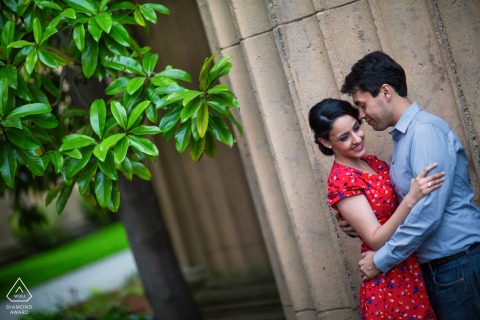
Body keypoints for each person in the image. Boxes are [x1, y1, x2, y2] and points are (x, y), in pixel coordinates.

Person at [340, 50, 480, 319]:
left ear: (385, 91)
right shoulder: (404, 138)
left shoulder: (424, 132)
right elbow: (407, 204)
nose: (360, 115)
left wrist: (381, 261)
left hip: (459, 265)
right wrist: (357, 220)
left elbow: (427, 212)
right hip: (446, 270)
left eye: (362, 104)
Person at [309, 98, 444, 319]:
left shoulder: (372, 162)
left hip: (408, 266)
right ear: (325, 142)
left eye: (356, 128)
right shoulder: (342, 180)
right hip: (389, 282)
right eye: (344, 137)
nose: (356, 139)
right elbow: (375, 239)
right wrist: (411, 199)